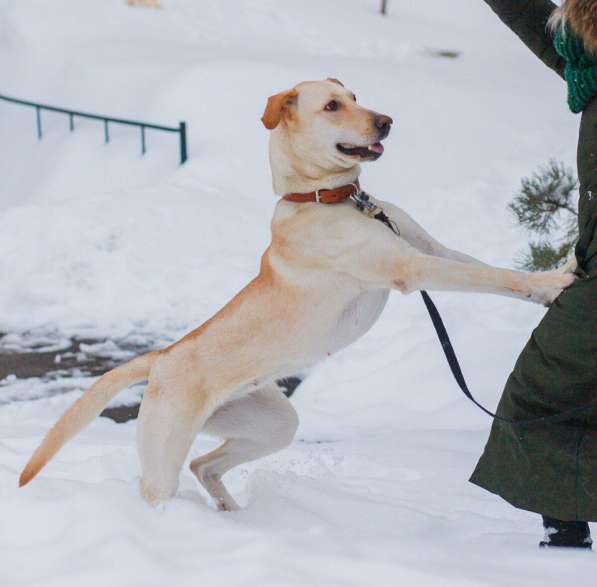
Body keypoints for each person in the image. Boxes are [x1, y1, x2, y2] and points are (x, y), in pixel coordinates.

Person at [470, 0, 597, 549]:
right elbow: (538, 24)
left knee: (545, 387)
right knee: (554, 387)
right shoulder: (588, 65)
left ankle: (565, 520)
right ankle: (564, 519)